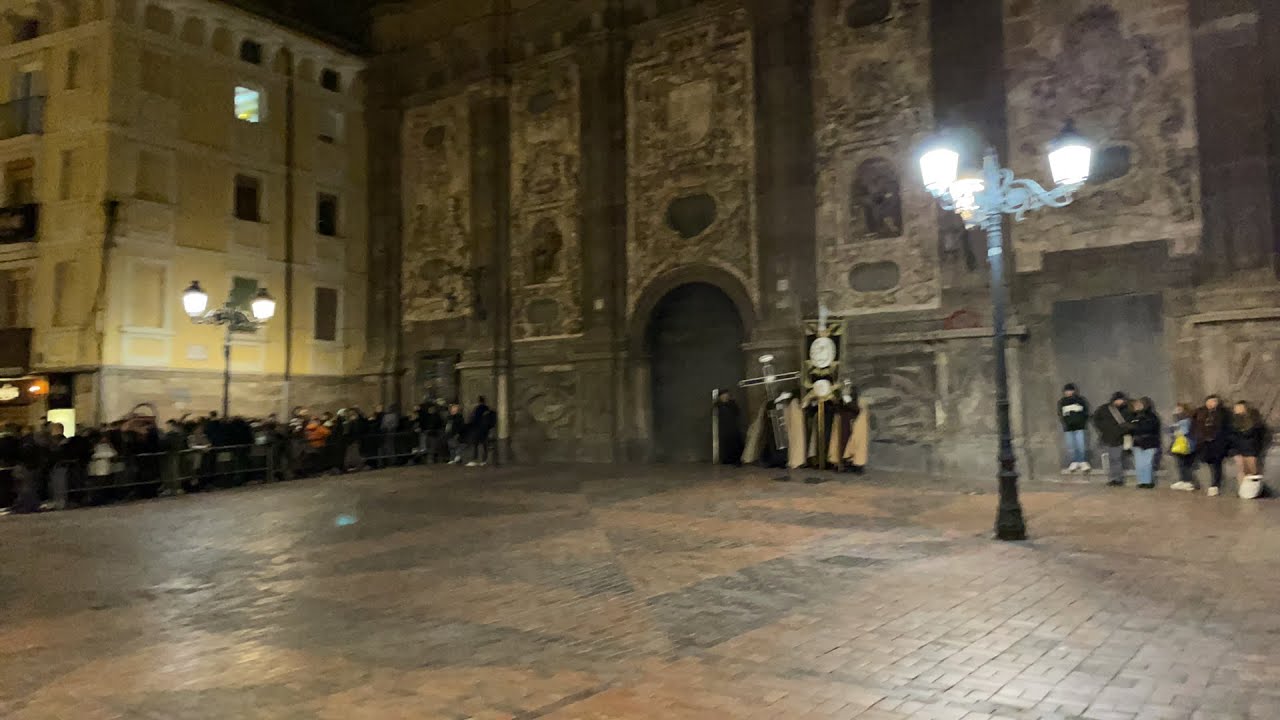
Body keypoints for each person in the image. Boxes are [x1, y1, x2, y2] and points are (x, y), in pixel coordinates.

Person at [1192, 395, 1231, 497]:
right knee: (1207, 463)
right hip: (1203, 442)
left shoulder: (1223, 413)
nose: (1211, 403)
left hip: (1218, 442)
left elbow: (1226, 427)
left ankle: (1215, 484)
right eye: (1209, 401)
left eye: (1214, 401)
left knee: (1217, 464)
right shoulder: (1199, 412)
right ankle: (1208, 483)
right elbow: (1194, 425)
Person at [1092, 392, 1131, 486]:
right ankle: (1114, 478)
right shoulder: (1104, 409)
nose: (1119, 402)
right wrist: (1103, 429)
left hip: (1120, 438)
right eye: (1118, 400)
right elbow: (1095, 419)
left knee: (1116, 459)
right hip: (1108, 438)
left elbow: (1130, 422)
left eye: (1121, 400)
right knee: (1112, 459)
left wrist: (1122, 430)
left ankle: (1117, 479)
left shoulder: (1127, 410)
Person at [1230, 401, 1267, 484]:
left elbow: (1260, 434)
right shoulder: (1232, 421)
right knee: (1241, 467)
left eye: (1239, 407)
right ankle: (1242, 486)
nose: (1237, 410)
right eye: (1236, 408)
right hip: (1237, 447)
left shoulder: (1254, 420)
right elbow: (1229, 434)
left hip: (1251, 447)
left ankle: (1254, 485)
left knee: (1252, 468)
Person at [1128, 397, 1161, 489]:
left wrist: (1135, 427)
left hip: (1149, 442)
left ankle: (1148, 481)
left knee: (1147, 463)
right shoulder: (1133, 417)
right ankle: (1141, 481)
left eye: (1139, 404)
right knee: (1139, 464)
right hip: (1137, 442)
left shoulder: (1152, 416)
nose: (1136, 406)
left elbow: (1150, 428)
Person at [1058, 384, 1091, 473]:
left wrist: (1082, 422)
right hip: (1068, 428)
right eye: (1067, 391)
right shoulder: (1062, 402)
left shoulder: (1080, 400)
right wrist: (1065, 423)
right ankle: (1074, 461)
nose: (1068, 392)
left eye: (1070, 390)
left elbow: (1086, 412)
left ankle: (1082, 461)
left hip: (1079, 427)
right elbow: (1061, 414)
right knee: (1071, 446)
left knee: (1081, 445)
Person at [1168, 403, 1198, 491]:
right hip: (1184, 445)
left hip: (1185, 445)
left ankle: (1187, 481)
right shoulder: (1183, 421)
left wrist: (1174, 431)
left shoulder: (1185, 421)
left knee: (1184, 465)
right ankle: (1184, 480)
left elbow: (1183, 432)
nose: (1176, 411)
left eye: (1179, 409)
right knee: (1182, 464)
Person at [714, 391, 744, 466]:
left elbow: (737, 412)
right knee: (727, 444)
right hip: (725, 428)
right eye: (723, 396)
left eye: (726, 396)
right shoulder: (719, 406)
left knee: (736, 443)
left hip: (733, 427)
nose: (725, 398)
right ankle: (728, 459)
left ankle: (736, 460)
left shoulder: (732, 405)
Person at [465, 396, 494, 467]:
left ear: (479, 401)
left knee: (475, 444)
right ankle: (484, 461)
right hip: (485, 430)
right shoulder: (487, 409)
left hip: (478, 429)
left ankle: (474, 460)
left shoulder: (478, 409)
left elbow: (474, 419)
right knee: (484, 445)